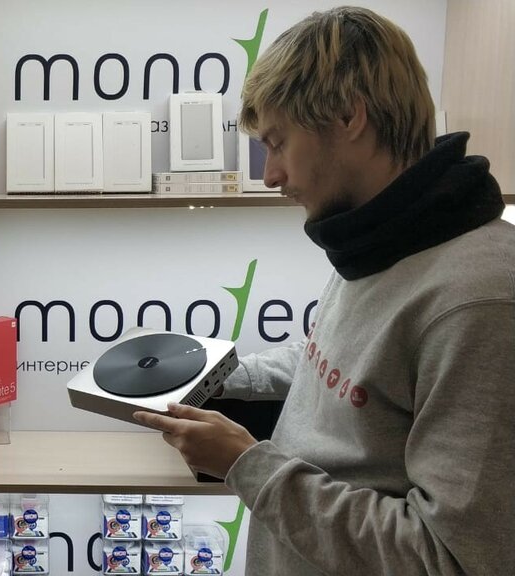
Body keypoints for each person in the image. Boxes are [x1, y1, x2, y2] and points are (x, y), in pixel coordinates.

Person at [133, 6, 515, 575]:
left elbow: (448, 559)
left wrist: (246, 463)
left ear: (347, 116)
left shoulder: (480, 303)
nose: (270, 175)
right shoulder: (378, 239)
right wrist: (216, 374)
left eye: (278, 143)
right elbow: (336, 366)